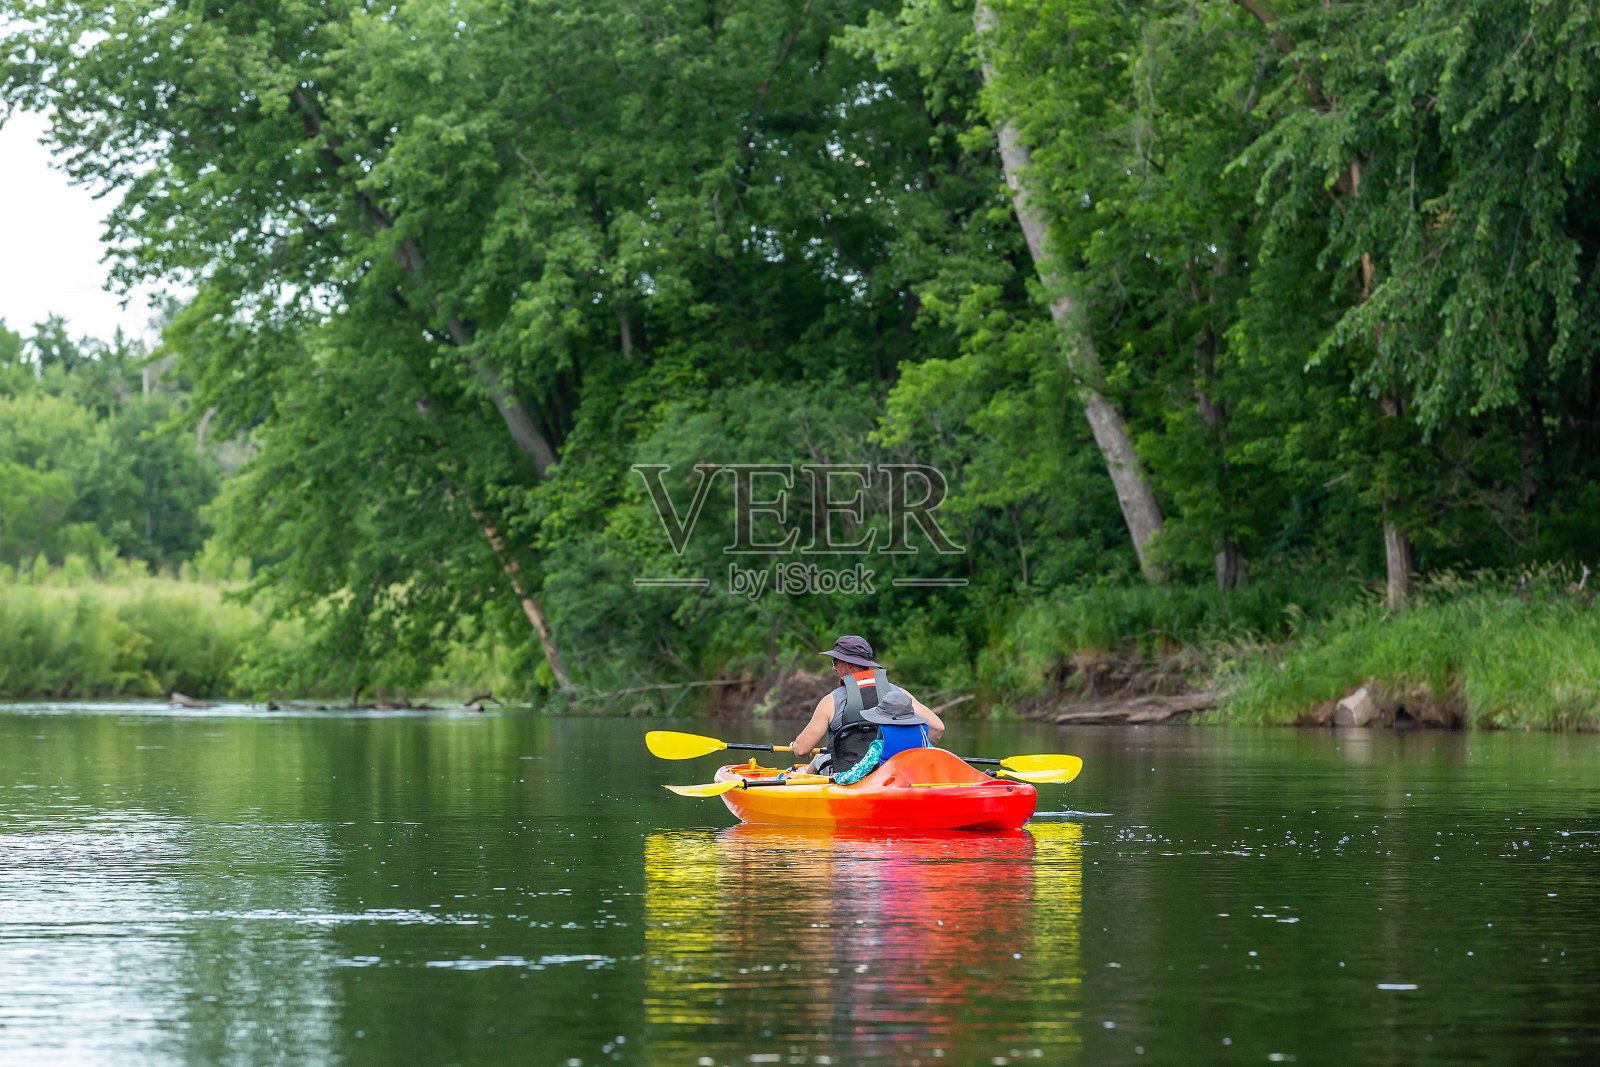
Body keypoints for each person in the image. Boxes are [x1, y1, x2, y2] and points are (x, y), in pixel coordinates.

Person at [790, 635, 944, 778]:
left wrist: (794, 746)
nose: (833, 668)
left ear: (849, 664)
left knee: (819, 760)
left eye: (835, 662)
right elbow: (938, 729)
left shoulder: (831, 701)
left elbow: (802, 749)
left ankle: (806, 771)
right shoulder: (899, 695)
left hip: (846, 779)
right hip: (893, 777)